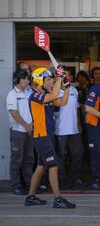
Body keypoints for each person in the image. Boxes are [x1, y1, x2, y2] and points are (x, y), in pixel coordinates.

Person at [25, 66, 75, 208]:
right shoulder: (35, 96)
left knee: (41, 167)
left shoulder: (44, 95)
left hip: (47, 136)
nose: (50, 82)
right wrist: (59, 77)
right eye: (48, 80)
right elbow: (53, 96)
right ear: (38, 81)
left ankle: (30, 197)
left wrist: (67, 88)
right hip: (42, 137)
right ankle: (58, 199)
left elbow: (62, 102)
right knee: (54, 165)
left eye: (51, 79)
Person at [54, 67, 84, 187]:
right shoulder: (54, 92)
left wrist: (79, 124)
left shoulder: (74, 90)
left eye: (67, 75)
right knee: (61, 156)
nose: (65, 78)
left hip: (74, 129)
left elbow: (76, 108)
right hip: (60, 129)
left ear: (70, 78)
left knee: (78, 154)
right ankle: (61, 180)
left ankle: (75, 178)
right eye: (63, 75)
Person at [7, 69, 34, 195]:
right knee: (17, 159)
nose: (28, 81)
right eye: (25, 79)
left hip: (29, 131)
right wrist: (26, 125)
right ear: (18, 80)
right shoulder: (12, 94)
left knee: (29, 159)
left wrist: (32, 124)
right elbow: (14, 113)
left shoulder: (29, 93)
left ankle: (30, 185)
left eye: (28, 78)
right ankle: (16, 186)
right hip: (18, 132)